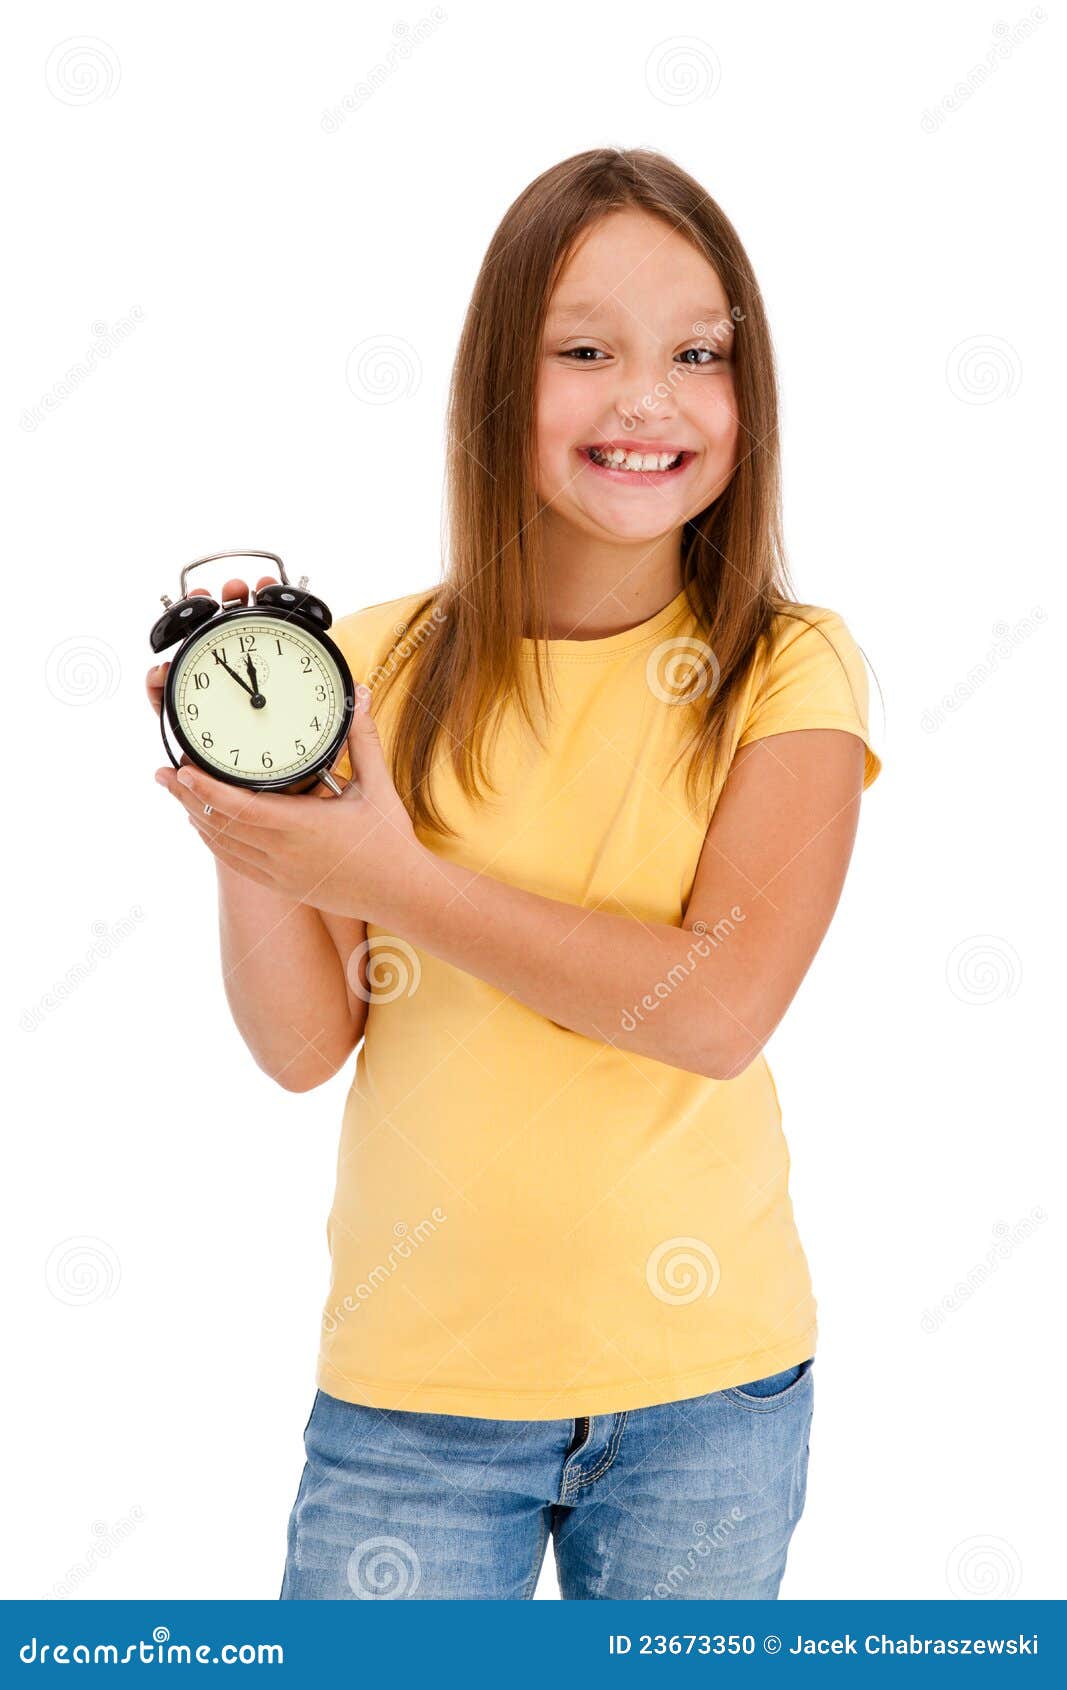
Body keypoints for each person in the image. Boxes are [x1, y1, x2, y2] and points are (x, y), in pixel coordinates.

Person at [150, 147, 882, 1600]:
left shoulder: (789, 669)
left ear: (749, 394)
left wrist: (391, 871)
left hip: (707, 1392)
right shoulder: (375, 662)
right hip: (412, 1397)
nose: (647, 398)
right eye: (585, 351)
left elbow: (714, 1007)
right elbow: (303, 1045)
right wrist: (251, 821)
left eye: (697, 352)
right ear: (501, 381)